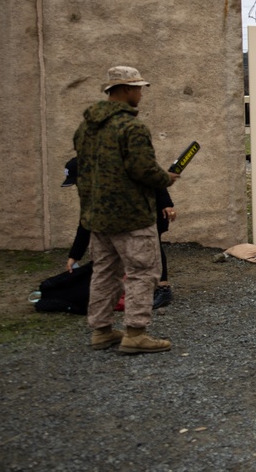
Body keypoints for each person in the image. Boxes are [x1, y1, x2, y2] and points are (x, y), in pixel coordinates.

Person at [73, 66, 178, 354]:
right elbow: (142, 170)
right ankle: (135, 333)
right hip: (131, 215)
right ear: (126, 90)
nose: (141, 93)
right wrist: (165, 179)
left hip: (97, 215)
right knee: (142, 272)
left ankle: (102, 331)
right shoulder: (132, 128)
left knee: (104, 273)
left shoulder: (85, 127)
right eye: (139, 88)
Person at [64, 156, 177, 310]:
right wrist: (74, 255)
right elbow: (85, 223)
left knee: (153, 246)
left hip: (151, 210)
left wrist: (167, 204)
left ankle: (163, 290)